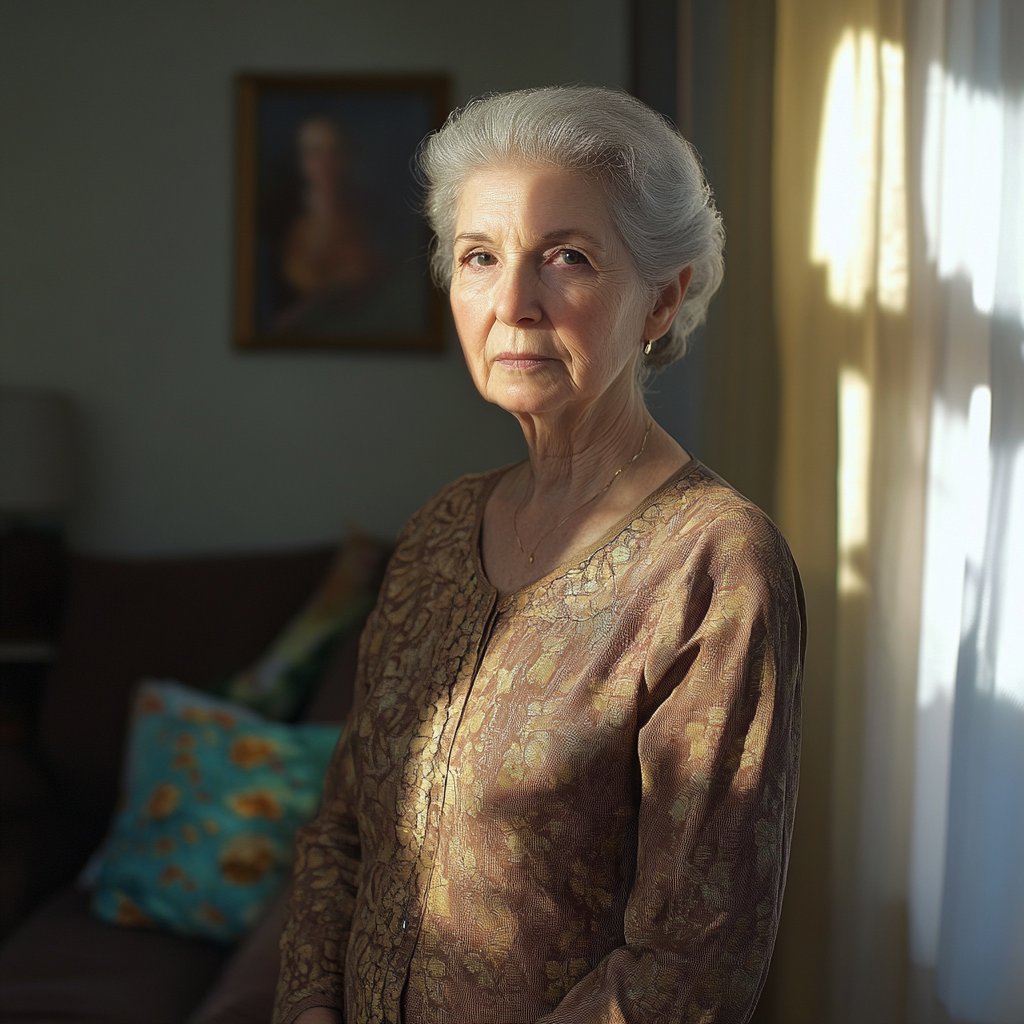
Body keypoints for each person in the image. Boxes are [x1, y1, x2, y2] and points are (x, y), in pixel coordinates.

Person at [273, 84, 805, 1024]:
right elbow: (343, 832)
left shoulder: (716, 566)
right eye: (480, 257)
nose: (512, 303)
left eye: (567, 258)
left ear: (663, 298)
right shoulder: (440, 528)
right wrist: (312, 1005)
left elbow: (693, 960)